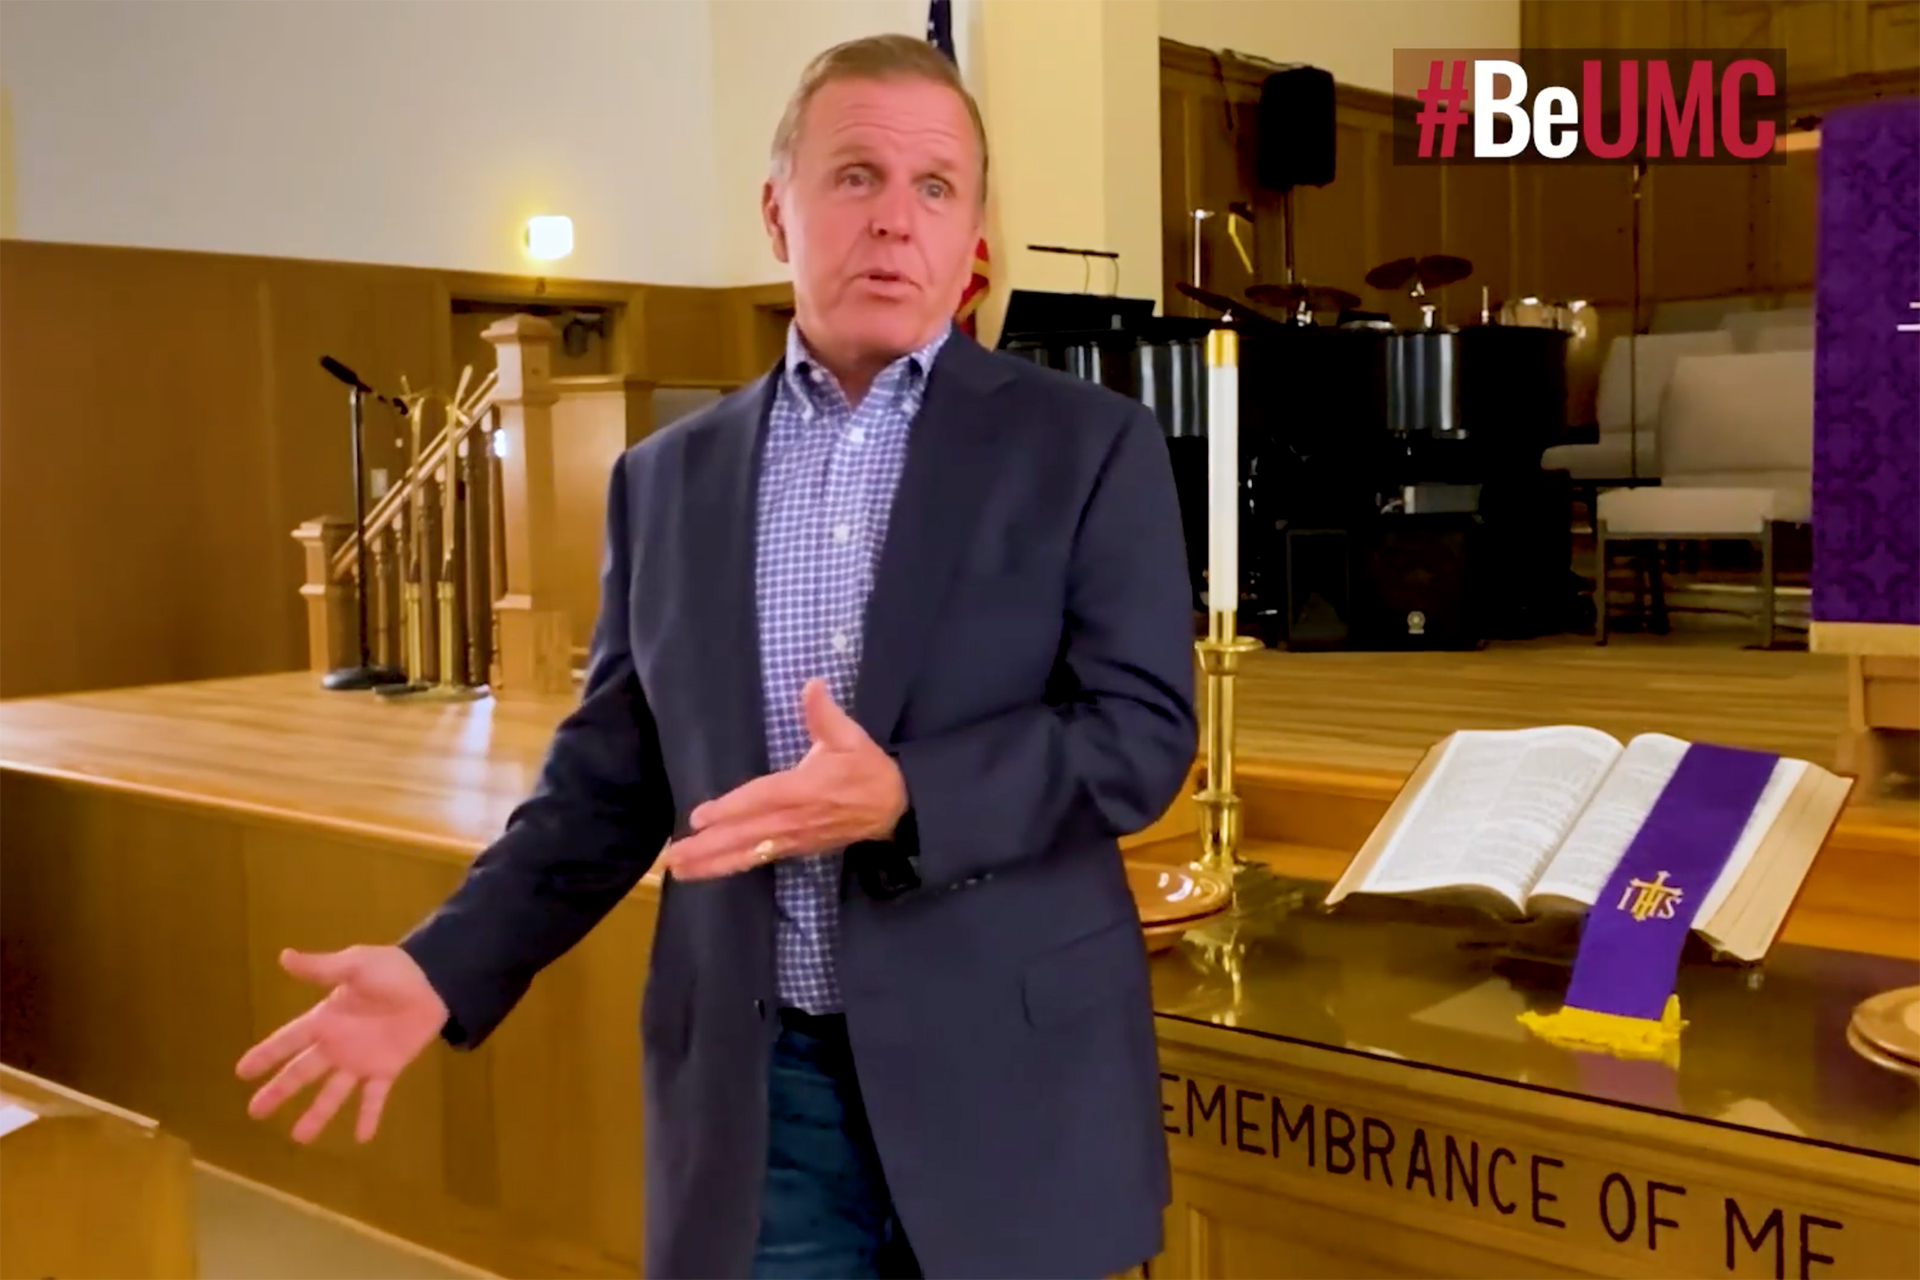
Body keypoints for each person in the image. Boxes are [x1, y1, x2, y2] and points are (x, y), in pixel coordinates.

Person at [236, 32, 1196, 1280]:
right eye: (856, 175)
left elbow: (1138, 732)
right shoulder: (667, 480)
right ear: (777, 211)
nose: (896, 221)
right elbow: (606, 787)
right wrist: (439, 966)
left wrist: (909, 794)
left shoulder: (1090, 445)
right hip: (764, 1084)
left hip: (1008, 1070)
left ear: (974, 236)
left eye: (936, 187)